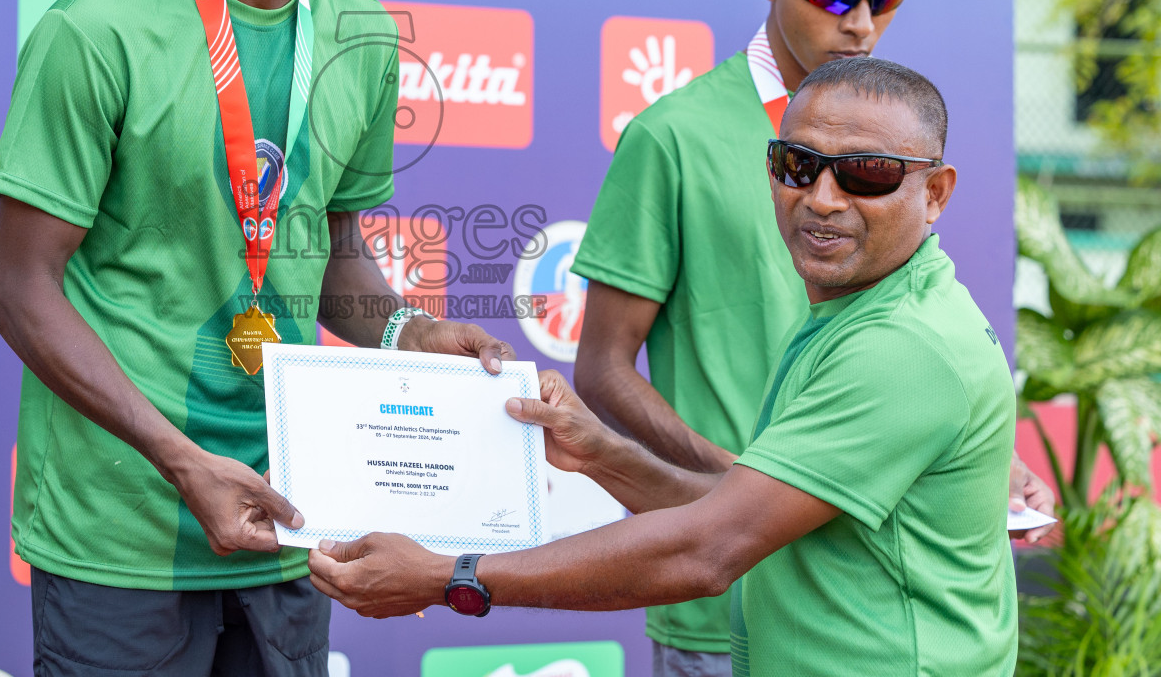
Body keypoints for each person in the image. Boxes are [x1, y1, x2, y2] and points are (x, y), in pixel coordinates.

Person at [0, 0, 511, 677]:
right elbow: (21, 290)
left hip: (296, 512)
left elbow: (334, 256)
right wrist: (179, 458)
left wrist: (412, 335)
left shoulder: (363, 37)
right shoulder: (95, 30)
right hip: (124, 526)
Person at [309, 57, 1018, 677]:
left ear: (936, 192)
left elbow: (710, 549)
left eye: (868, 174)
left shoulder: (900, 346)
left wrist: (447, 578)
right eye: (797, 165)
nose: (823, 198)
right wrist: (604, 454)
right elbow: (742, 510)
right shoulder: (866, 311)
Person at [568, 0, 1052, 674]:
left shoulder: (901, 132)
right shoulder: (673, 136)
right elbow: (605, 368)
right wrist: (742, 481)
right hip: (716, 593)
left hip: (865, 597)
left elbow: (914, 350)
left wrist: (985, 454)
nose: (860, 21)